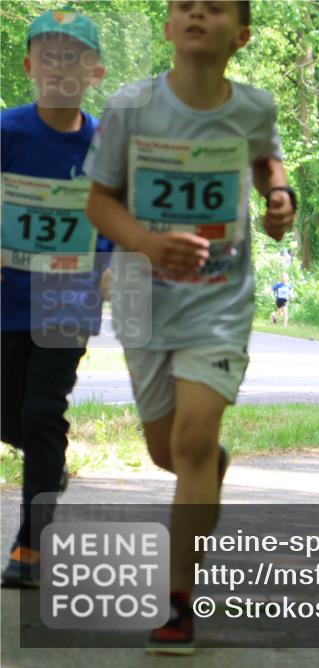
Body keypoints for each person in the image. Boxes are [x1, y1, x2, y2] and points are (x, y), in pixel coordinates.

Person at [84, 0, 296, 654]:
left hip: (220, 301)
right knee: (167, 453)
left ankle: (177, 600)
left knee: (195, 438)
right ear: (170, 27)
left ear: (243, 35)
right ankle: (205, 468)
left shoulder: (254, 107)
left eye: (215, 7)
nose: (198, 13)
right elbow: (99, 200)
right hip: (146, 299)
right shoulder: (130, 107)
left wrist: (279, 197)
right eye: (185, 6)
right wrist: (146, 244)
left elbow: (267, 160)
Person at [1, 7, 109, 588]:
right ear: (29, 67)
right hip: (6, 299)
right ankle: (49, 459)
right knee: (14, 415)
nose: (61, 67)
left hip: (67, 301)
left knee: (43, 412)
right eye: (50, 55)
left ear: (95, 71)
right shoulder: (7, 132)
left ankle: (31, 549)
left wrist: (111, 265)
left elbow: (116, 213)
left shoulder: (104, 145)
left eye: (74, 56)